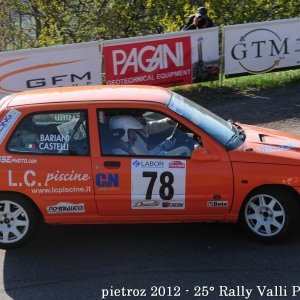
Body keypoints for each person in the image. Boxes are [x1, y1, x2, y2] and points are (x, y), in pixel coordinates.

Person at [109, 115, 191, 156]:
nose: (142, 117)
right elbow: (147, 158)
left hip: (153, 158)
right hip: (152, 161)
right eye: (139, 115)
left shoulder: (134, 132)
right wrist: (164, 146)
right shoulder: (132, 142)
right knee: (184, 150)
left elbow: (156, 126)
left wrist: (172, 119)